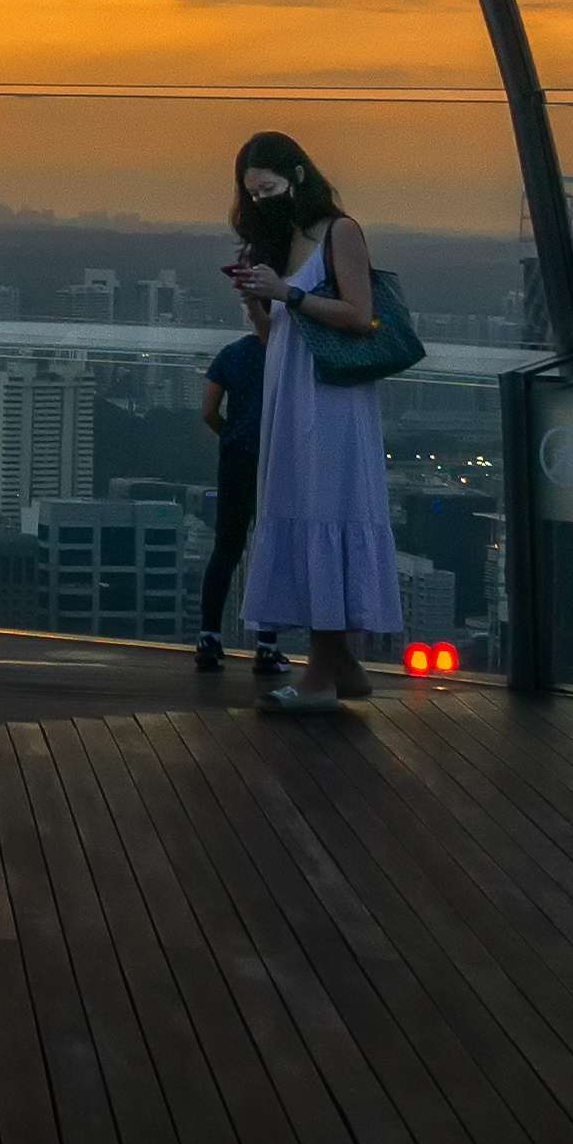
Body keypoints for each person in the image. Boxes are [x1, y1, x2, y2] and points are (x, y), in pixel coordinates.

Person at [221, 132, 402, 712]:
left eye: (269, 187)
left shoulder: (337, 233)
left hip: (331, 401)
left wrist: (288, 296)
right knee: (302, 509)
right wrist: (258, 303)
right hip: (290, 397)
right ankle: (340, 665)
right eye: (253, 193)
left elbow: (360, 315)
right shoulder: (280, 242)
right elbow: (277, 341)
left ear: (296, 175)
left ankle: (323, 674)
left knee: (327, 508)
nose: (262, 200)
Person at [194, 300, 283, 676]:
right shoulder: (288, 358)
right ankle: (266, 645)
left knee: (226, 549)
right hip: (277, 461)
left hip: (236, 460)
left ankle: (209, 637)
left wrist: (231, 434)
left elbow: (208, 411)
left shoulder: (231, 355)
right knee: (271, 549)